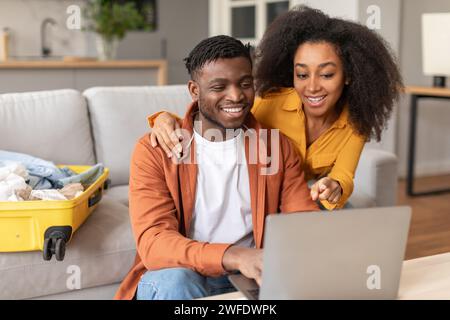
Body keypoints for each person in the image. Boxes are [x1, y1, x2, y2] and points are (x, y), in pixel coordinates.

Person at [114, 35, 318, 300]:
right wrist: (234, 256)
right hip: (184, 275)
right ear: (194, 91)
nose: (236, 96)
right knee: (177, 281)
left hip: (251, 277)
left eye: (245, 84)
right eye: (219, 86)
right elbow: (155, 243)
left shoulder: (275, 147)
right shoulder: (155, 150)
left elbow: (301, 222)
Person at [148, 6, 403, 210]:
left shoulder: (356, 121)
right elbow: (215, 116)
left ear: (348, 75)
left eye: (326, 75)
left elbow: (344, 175)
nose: (312, 87)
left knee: (343, 223)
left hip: (302, 199)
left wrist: (333, 186)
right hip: (262, 195)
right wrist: (163, 118)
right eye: (302, 75)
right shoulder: (272, 103)